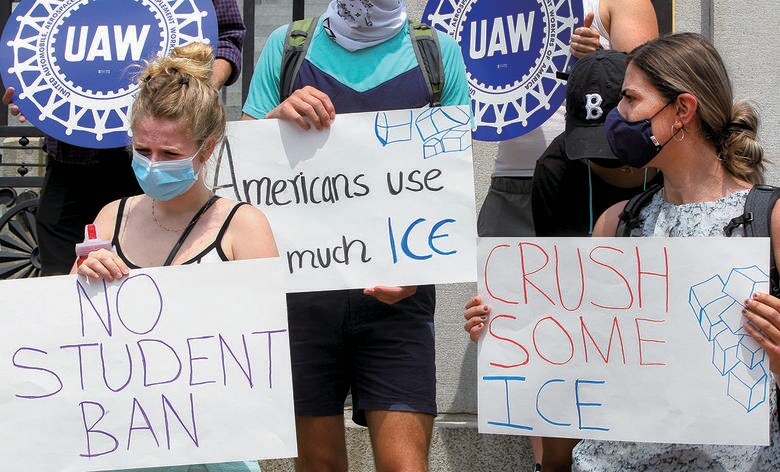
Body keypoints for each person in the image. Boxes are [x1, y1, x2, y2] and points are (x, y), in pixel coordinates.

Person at [466, 33, 780, 471]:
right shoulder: (616, 225)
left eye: (630, 99)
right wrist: (510, 336)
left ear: (682, 112)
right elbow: (583, 375)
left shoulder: (768, 219)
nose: (617, 115)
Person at [241, 1, 469, 470]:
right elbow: (246, 174)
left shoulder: (438, 52)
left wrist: (418, 273)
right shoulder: (286, 47)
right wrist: (274, 119)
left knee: (405, 466)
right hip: (301, 300)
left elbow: (449, 183)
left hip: (399, 301)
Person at [74, 42, 277, 472]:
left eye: (169, 154)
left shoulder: (244, 226)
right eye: (142, 150)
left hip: (216, 449)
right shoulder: (111, 217)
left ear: (207, 149)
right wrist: (77, 282)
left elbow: (265, 350)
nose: (152, 165)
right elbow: (75, 339)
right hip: (122, 444)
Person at [2, 0, 246, 276]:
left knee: (159, 283)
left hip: (152, 165)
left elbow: (227, 39)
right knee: (67, 289)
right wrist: (36, 96)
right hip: (71, 165)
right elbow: (32, 44)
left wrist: (189, 95)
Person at [478, 0, 659, 238]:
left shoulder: (618, 3)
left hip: (590, 180)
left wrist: (600, 59)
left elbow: (648, 86)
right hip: (509, 179)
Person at [531, 49, 661, 237]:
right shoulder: (555, 169)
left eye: (615, 136)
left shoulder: (669, 156)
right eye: (591, 139)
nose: (602, 152)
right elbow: (554, 257)